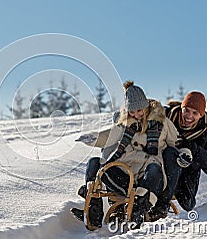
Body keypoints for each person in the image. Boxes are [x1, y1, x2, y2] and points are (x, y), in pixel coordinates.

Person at [71, 81, 178, 229]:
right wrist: (93, 138)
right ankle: (93, 211)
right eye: (132, 112)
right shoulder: (124, 123)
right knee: (94, 162)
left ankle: (139, 209)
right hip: (125, 174)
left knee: (154, 168)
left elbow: (176, 143)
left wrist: (185, 154)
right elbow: (109, 136)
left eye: (139, 110)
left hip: (147, 175)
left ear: (146, 105)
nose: (136, 115)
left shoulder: (162, 122)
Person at [147, 91, 207, 221]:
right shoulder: (165, 117)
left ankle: (162, 203)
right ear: (182, 107)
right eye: (186, 110)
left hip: (183, 178)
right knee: (169, 152)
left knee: (173, 155)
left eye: (195, 113)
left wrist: (194, 148)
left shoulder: (204, 133)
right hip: (157, 166)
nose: (189, 116)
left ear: (201, 115)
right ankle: (157, 205)